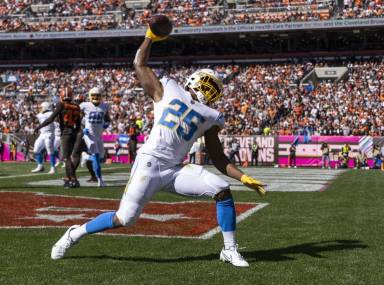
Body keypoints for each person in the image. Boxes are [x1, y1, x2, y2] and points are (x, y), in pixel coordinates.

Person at [50, 29, 266, 267]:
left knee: (222, 189)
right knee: (124, 218)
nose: (210, 90)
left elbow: (217, 156)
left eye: (214, 87)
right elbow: (139, 63)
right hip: (149, 164)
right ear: (195, 79)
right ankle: (74, 233)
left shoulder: (211, 115)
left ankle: (229, 249)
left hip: (174, 169)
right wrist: (150, 36)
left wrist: (243, 177)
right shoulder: (169, 88)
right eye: (209, 84)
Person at [35, 87, 82, 188]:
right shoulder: (76, 106)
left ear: (61, 96)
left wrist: (39, 126)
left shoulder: (61, 104)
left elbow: (50, 119)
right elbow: (78, 125)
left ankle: (73, 179)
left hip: (65, 133)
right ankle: (67, 179)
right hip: (74, 133)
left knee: (66, 158)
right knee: (68, 157)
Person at [80, 87, 111, 187]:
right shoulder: (84, 105)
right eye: (94, 95)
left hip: (99, 135)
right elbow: (78, 119)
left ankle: (86, 156)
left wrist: (107, 124)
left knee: (101, 157)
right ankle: (100, 180)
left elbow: (107, 118)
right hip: (89, 135)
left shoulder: (105, 106)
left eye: (98, 95)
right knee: (97, 157)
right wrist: (82, 128)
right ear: (90, 96)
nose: (96, 97)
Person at [32, 102, 56, 173]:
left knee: (50, 150)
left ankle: (53, 167)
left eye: (41, 107)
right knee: (36, 149)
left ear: (46, 107)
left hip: (49, 133)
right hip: (42, 134)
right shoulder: (40, 114)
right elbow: (35, 120)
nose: (40, 109)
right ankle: (40, 166)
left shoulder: (51, 113)